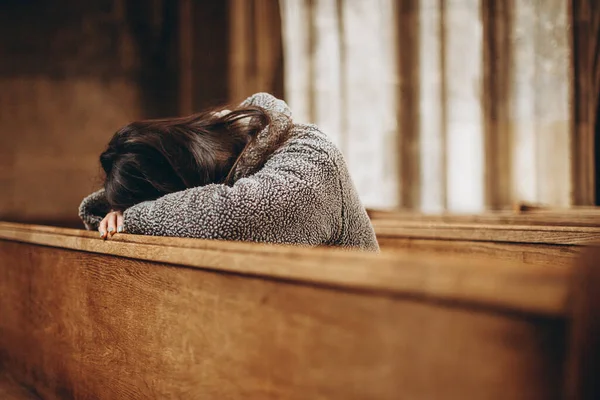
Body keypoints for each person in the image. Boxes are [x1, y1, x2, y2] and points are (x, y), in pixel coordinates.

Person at [79, 93, 379, 251]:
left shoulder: (309, 155)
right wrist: (114, 212)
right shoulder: (227, 165)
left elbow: (230, 217)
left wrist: (133, 217)